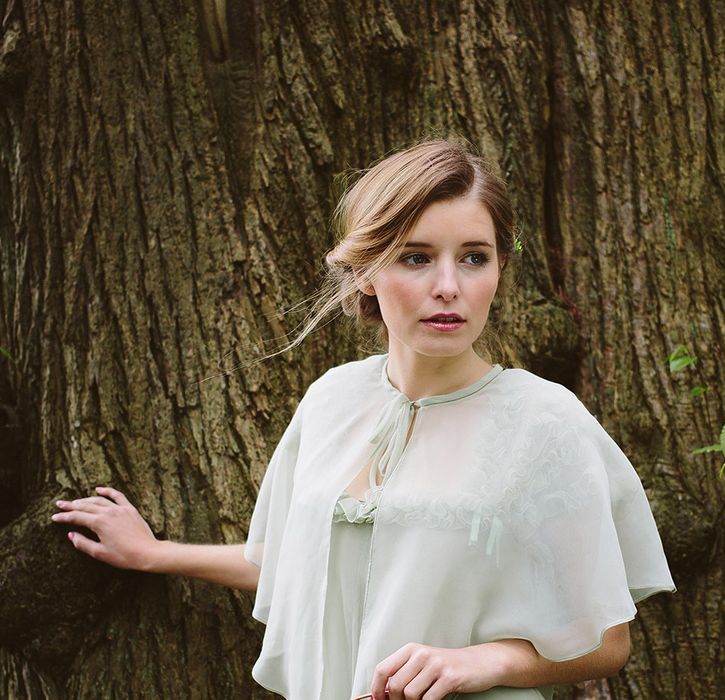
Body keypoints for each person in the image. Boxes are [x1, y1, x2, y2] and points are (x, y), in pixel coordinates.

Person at [52, 139, 675, 700]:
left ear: (499, 271)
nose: (448, 285)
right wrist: (156, 555)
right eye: (415, 257)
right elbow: (299, 557)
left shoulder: (544, 422)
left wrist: (485, 661)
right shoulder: (331, 400)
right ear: (365, 273)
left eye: (475, 257)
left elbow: (607, 639)